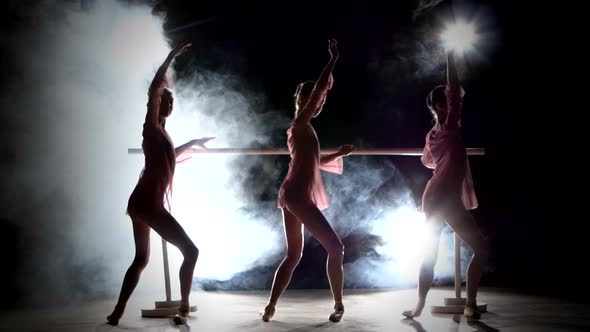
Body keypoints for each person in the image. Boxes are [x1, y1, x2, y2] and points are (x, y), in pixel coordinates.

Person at [107, 43, 213, 325]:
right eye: (165, 100)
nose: (168, 103)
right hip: (148, 203)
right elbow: (154, 89)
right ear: (156, 104)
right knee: (191, 251)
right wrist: (170, 58)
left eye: (171, 101)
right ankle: (184, 308)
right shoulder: (151, 127)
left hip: (141, 202)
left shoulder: (162, 134)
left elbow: (169, 158)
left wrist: (192, 144)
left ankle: (117, 312)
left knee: (141, 259)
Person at [261, 39, 356, 323]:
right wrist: (333, 59)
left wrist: (339, 153)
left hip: (291, 194)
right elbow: (318, 89)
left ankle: (270, 307)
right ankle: (338, 305)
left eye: (323, 100)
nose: (320, 101)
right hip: (297, 195)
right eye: (316, 98)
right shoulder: (299, 123)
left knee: (293, 255)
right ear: (302, 101)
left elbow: (313, 162)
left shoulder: (304, 129)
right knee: (336, 248)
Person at [402, 49, 489, 320]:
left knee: (431, 253)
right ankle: (470, 304)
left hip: (434, 196)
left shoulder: (432, 135)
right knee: (481, 248)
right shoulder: (450, 127)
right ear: (442, 106)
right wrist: (451, 57)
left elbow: (428, 162)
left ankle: (418, 307)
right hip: (445, 197)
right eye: (451, 103)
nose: (456, 103)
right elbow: (453, 90)